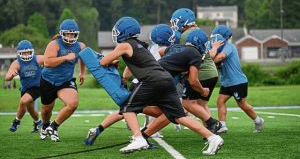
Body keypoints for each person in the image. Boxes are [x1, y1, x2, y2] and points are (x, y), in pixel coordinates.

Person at [97, 16, 224, 155]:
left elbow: (103, 62)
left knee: (127, 107)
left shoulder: (125, 44)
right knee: (179, 116)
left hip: (152, 80)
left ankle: (138, 138)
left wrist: (109, 61)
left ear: (124, 31)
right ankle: (213, 138)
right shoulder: (141, 45)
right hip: (166, 79)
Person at [170, 8, 221, 132]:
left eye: (176, 21)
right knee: (201, 105)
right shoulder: (199, 31)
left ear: (183, 21)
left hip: (200, 73)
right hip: (212, 72)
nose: (174, 25)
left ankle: (212, 124)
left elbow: (185, 56)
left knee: (187, 103)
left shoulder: (185, 35)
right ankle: (210, 131)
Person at [209, 25, 264, 133]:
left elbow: (221, 57)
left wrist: (207, 62)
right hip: (226, 82)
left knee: (242, 104)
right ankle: (223, 126)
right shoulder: (217, 49)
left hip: (237, 81)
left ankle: (258, 121)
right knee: (220, 101)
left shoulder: (229, 46)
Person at [40, 19, 86, 142]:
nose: (70, 37)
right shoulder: (54, 44)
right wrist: (65, 57)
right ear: (62, 33)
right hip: (48, 80)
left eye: (73, 34)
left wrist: (82, 72)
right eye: (67, 33)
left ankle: (54, 126)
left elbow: (84, 58)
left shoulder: (80, 46)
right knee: (46, 110)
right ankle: (45, 125)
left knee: (72, 104)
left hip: (66, 81)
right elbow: (47, 62)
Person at [5, 40, 43, 133]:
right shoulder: (17, 63)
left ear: (32, 51)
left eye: (28, 52)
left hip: (38, 86)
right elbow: (7, 77)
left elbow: (51, 61)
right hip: (26, 88)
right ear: (19, 53)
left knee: (23, 101)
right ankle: (38, 122)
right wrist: (11, 75)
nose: (26, 55)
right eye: (24, 53)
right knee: (30, 109)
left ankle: (16, 122)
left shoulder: (38, 59)